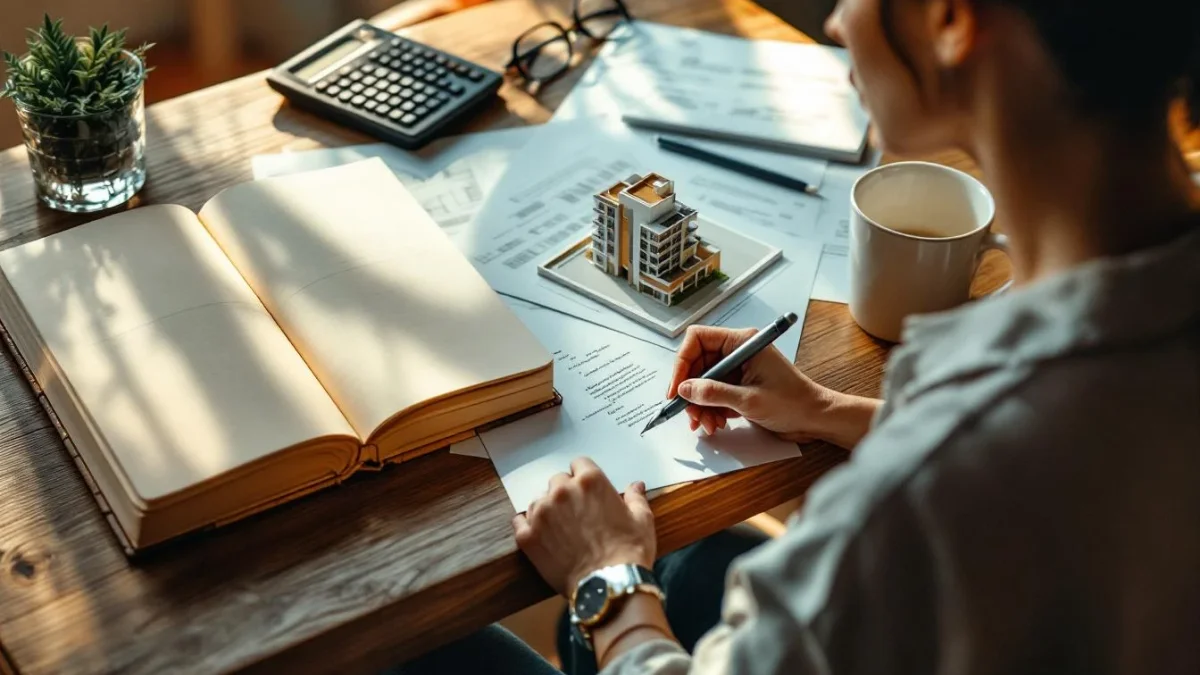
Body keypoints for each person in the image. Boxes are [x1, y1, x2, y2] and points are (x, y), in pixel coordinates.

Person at [398, 0, 1200, 672]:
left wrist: (606, 581)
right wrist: (835, 409)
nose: (836, 23)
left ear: (951, 20)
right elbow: (1067, 463)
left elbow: (975, 470)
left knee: (413, 648)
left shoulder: (921, 491)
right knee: (694, 559)